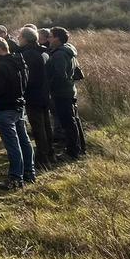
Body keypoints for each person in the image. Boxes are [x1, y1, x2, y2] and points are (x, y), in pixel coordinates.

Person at [0, 37, 35, 189]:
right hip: (19, 105)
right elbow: (25, 84)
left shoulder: (0, 66)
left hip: (5, 108)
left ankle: (15, 178)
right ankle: (29, 173)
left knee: (12, 144)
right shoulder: (19, 62)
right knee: (23, 140)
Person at [46, 27, 86, 160]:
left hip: (62, 92)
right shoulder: (68, 50)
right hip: (69, 90)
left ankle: (72, 152)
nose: (48, 39)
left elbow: (59, 75)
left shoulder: (59, 55)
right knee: (74, 121)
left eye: (50, 36)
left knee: (68, 123)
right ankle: (80, 148)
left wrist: (49, 86)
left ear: (57, 38)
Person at [19, 26, 54, 171]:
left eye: (20, 37)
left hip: (34, 95)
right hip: (45, 93)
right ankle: (50, 154)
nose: (18, 39)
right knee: (46, 125)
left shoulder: (27, 54)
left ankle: (43, 159)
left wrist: (23, 90)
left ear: (26, 39)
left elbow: (28, 78)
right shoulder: (43, 51)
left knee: (38, 128)